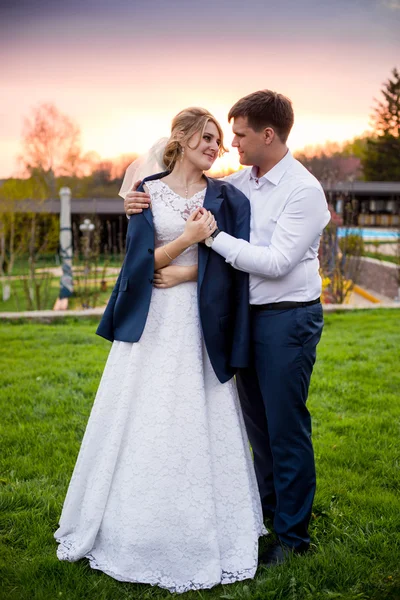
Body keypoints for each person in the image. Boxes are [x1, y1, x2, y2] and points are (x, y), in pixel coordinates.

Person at [54, 107, 266, 593]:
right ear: (183, 138)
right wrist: (185, 242)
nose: (217, 147)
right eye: (208, 138)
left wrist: (189, 270)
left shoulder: (226, 196)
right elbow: (137, 269)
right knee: (147, 414)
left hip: (201, 319)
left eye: (219, 140)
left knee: (202, 412)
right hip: (156, 325)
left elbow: (234, 260)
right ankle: (134, 523)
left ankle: (214, 526)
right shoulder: (145, 193)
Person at [124, 90, 331, 565]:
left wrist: (214, 239)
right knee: (256, 428)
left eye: (238, 135)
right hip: (244, 318)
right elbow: (186, 183)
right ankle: (267, 517)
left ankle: (294, 539)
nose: (231, 144)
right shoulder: (243, 179)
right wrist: (141, 197)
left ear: (268, 134)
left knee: (286, 428)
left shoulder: (304, 191)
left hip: (287, 318)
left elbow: (277, 262)